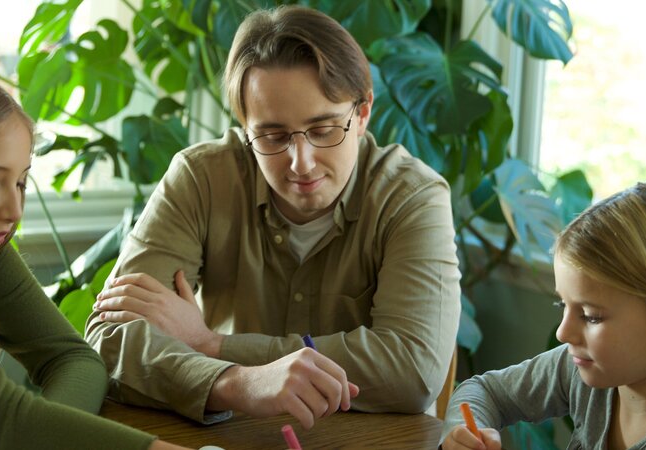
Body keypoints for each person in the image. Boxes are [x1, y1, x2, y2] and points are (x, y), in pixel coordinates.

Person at [87, 4, 461, 430]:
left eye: (323, 130)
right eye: (272, 135)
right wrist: (237, 382)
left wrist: (211, 345)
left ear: (362, 114)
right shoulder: (201, 178)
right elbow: (110, 341)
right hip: (232, 436)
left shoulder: (412, 197)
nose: (300, 163)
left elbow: (412, 371)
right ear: (245, 127)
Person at [0, 65, 189, 450]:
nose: (13, 210)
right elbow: (8, 420)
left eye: (21, 182)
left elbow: (74, 360)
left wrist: (44, 436)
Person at [440, 182, 646, 450]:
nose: (562, 333)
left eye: (591, 316)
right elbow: (486, 392)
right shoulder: (580, 368)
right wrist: (464, 432)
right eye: (562, 305)